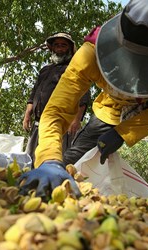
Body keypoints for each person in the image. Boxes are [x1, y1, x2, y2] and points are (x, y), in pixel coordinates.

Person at [19, 0, 148, 208]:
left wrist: (123, 133)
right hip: (114, 105)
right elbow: (55, 111)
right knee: (71, 158)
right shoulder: (89, 54)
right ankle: (52, 187)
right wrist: (49, 159)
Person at [22, 32, 90, 167]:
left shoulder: (74, 69)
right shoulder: (45, 70)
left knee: (55, 161)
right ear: (52, 48)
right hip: (39, 124)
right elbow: (34, 93)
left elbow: (82, 97)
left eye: (63, 45)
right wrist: (27, 114)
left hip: (60, 126)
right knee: (31, 161)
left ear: (70, 49)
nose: (59, 48)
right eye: (56, 45)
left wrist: (76, 120)